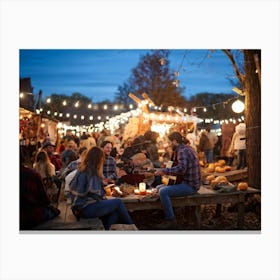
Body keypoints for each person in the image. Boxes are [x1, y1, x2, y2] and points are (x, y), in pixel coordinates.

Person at [69, 146, 135, 230]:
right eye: (102, 158)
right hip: (84, 208)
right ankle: (132, 227)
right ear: (98, 159)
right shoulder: (90, 172)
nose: (103, 160)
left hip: (78, 207)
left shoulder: (83, 169)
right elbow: (96, 194)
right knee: (118, 202)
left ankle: (107, 230)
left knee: (115, 212)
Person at [154, 131, 201, 229]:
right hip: (185, 181)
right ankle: (165, 212)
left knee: (163, 191)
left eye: (170, 142)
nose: (169, 144)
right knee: (158, 187)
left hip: (190, 185)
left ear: (175, 141)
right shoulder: (184, 148)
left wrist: (164, 171)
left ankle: (171, 220)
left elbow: (181, 169)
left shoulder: (182, 151)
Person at [20, 153, 60, 229]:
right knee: (55, 211)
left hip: (24, 214)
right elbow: (45, 199)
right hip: (30, 214)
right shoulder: (32, 174)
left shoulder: (35, 166)